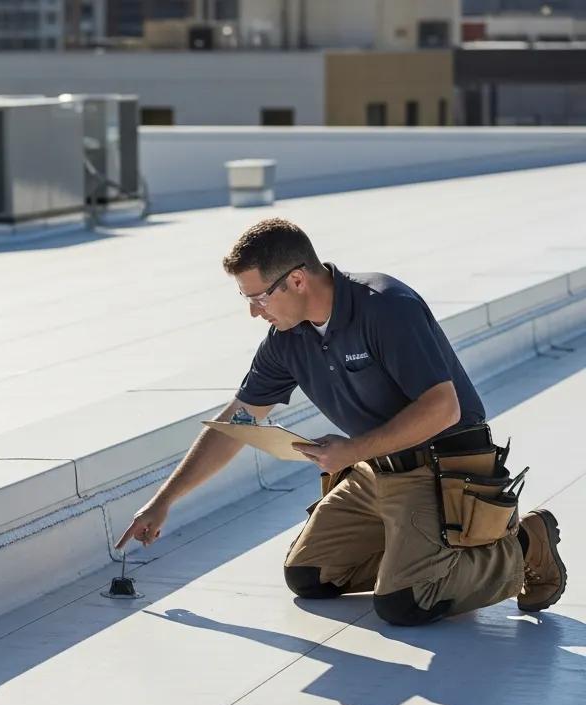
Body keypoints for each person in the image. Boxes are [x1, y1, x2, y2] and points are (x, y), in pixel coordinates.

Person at [116, 217, 567, 626]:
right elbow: (237, 421)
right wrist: (163, 501)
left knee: (407, 601)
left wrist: (350, 451)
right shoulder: (285, 341)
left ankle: (526, 542)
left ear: (295, 279)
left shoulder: (386, 306)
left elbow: (443, 408)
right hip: (379, 469)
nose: (254, 311)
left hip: (443, 465)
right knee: (310, 576)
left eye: (257, 297)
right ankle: (418, 550)